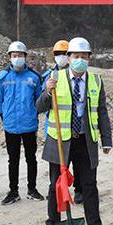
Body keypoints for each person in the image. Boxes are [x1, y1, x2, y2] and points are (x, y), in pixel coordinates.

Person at [38, 37, 113, 225]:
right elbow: (40, 107)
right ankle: (52, 223)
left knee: (89, 185)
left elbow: (102, 112)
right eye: (76, 56)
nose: (80, 60)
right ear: (68, 58)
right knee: (56, 184)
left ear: (89, 59)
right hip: (60, 140)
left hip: (85, 140)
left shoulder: (96, 81)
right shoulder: (55, 77)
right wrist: (47, 92)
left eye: (84, 56)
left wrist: (106, 139)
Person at [0, 41, 44, 205]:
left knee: (31, 158)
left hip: (29, 125)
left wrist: (32, 114)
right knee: (13, 160)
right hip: (10, 126)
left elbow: (39, 100)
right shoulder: (3, 77)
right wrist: (5, 116)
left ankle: (32, 189)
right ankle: (13, 191)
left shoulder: (34, 77)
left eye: (20, 55)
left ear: (25, 56)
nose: (17, 58)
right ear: (10, 57)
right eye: (14, 55)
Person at [42, 40, 84, 204]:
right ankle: (56, 203)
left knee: (79, 167)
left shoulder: (81, 76)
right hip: (57, 129)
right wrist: (47, 91)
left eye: (63, 54)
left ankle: (79, 190)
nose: (61, 57)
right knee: (57, 172)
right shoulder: (50, 77)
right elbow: (40, 105)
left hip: (77, 131)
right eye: (57, 54)